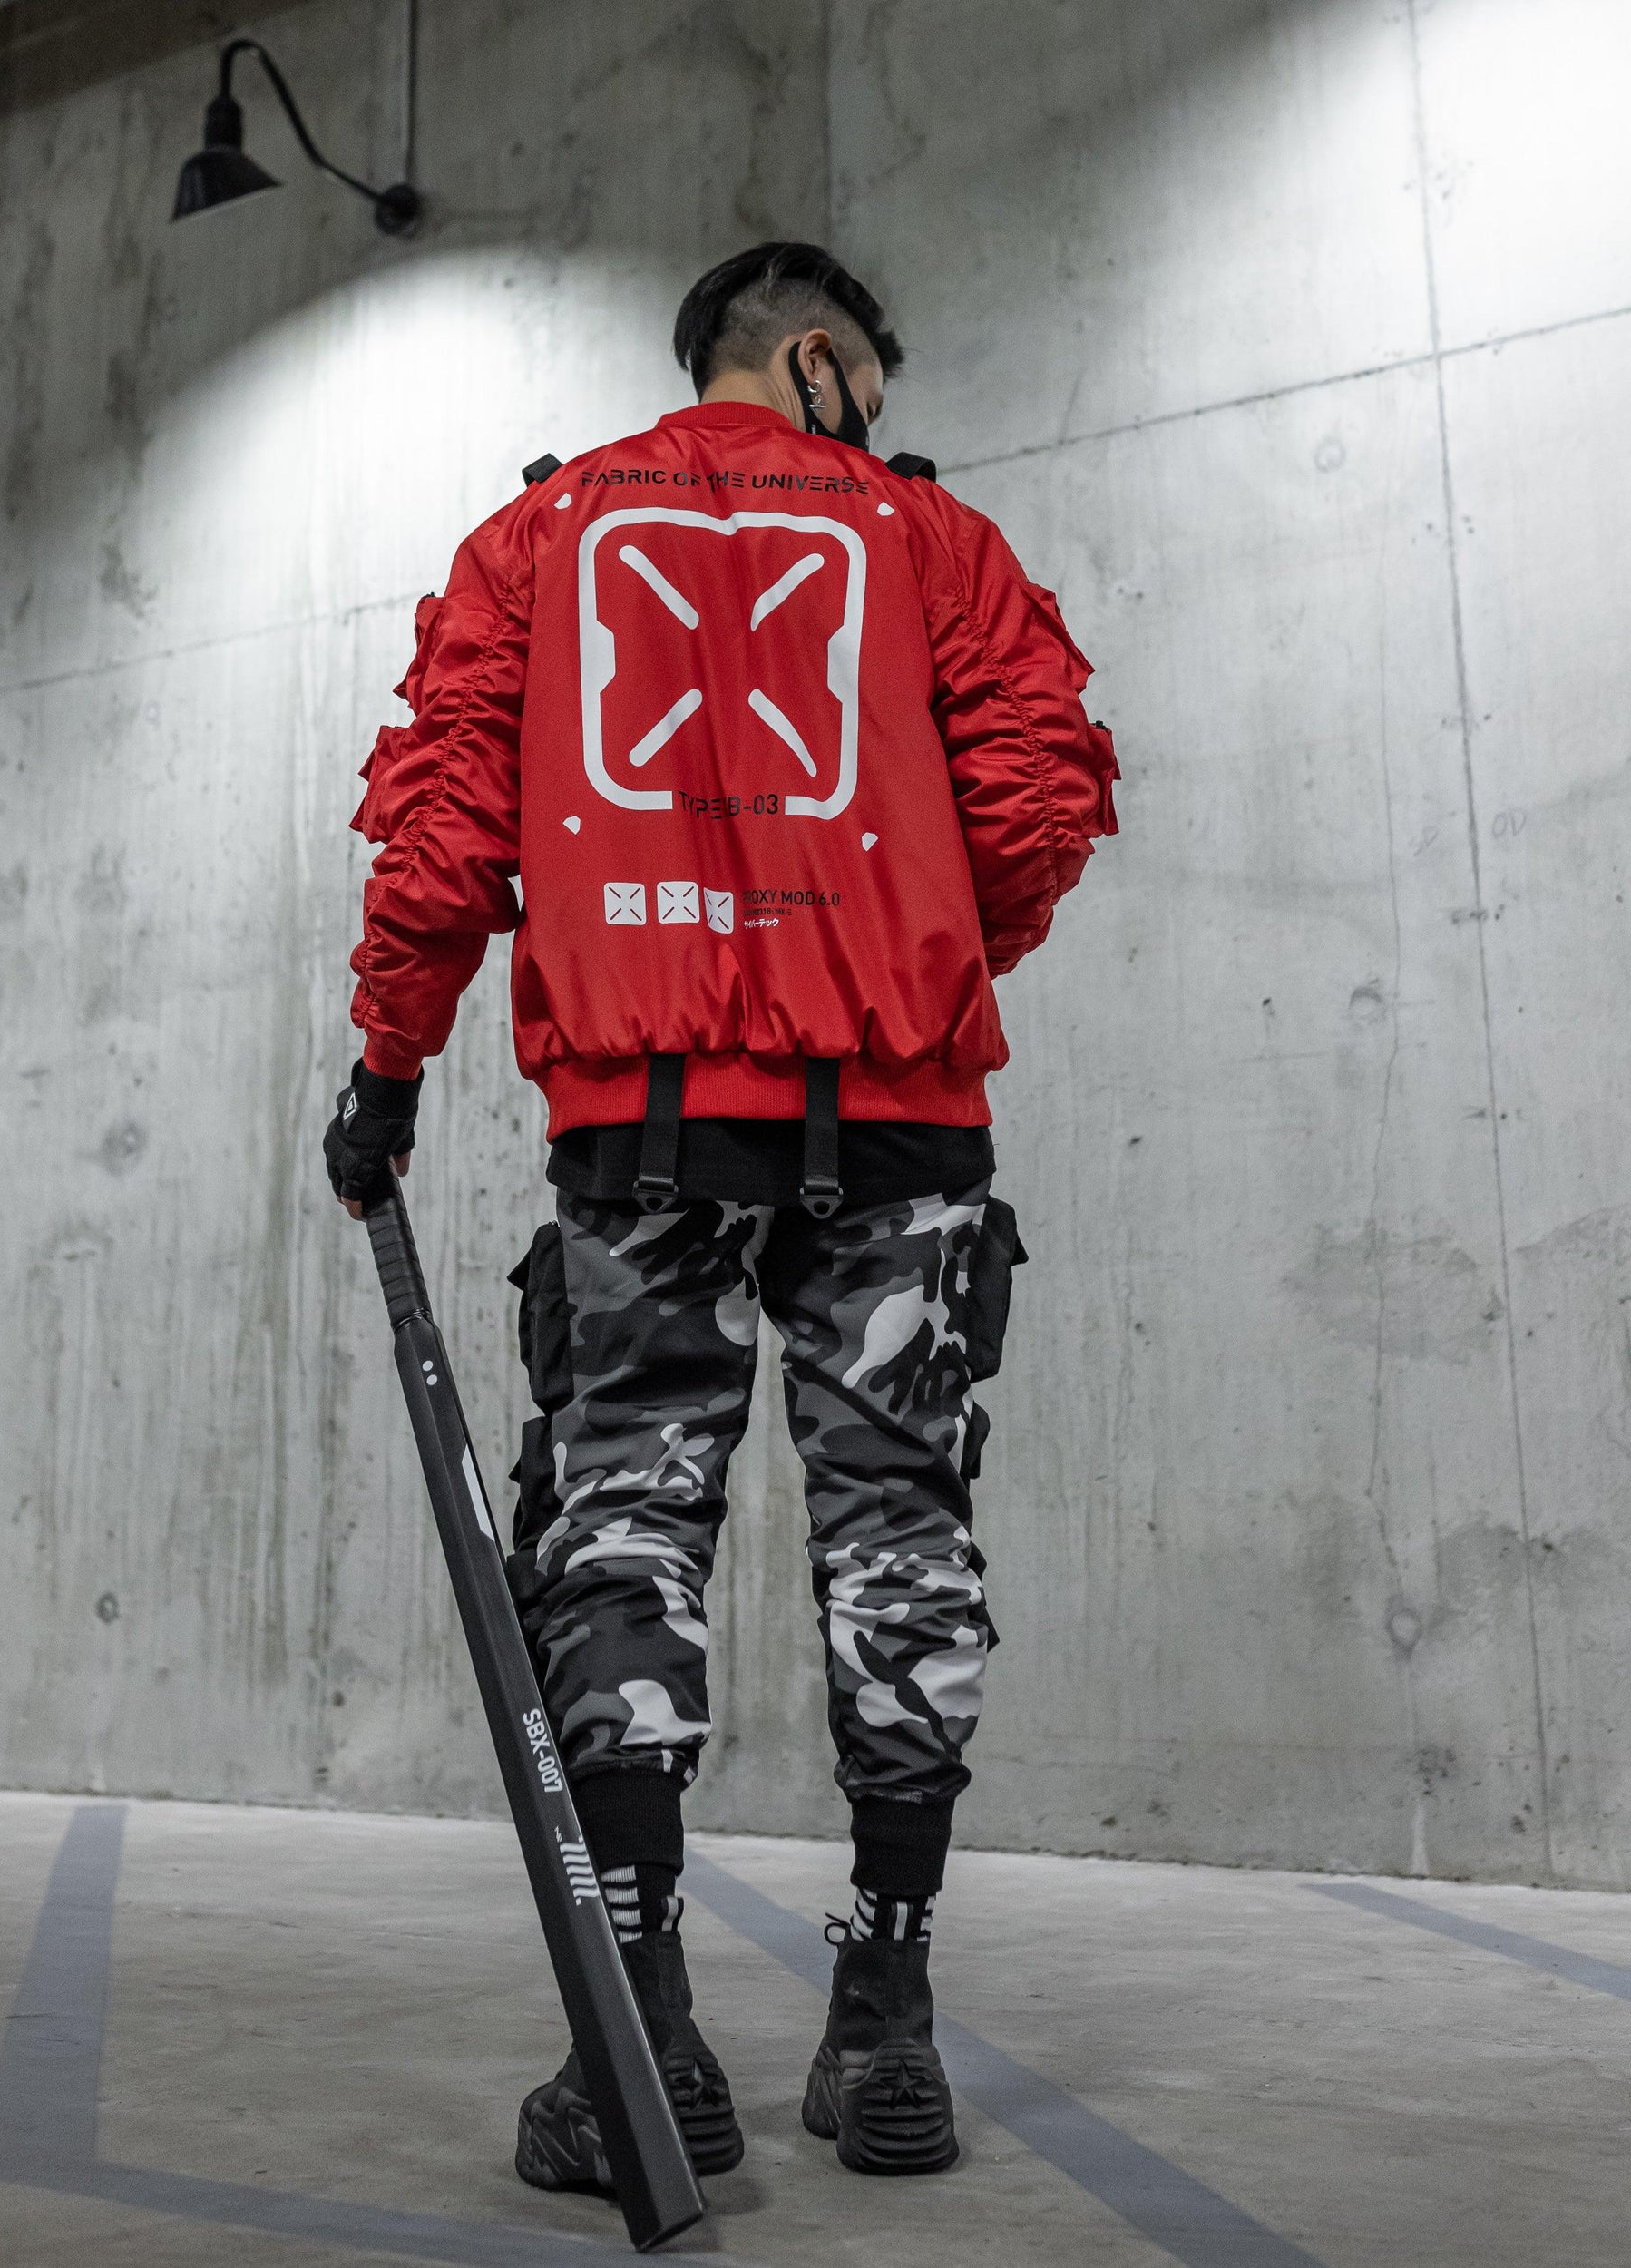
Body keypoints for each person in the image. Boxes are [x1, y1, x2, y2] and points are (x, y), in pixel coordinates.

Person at [325, 240, 1118, 2187]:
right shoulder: (934, 543)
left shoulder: (540, 539)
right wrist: (911, 958)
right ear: (818, 355)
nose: (876, 422)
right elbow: (1038, 789)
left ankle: (646, 2034)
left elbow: (443, 826)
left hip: (642, 1129)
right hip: (902, 1128)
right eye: (871, 386)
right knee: (903, 1542)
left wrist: (389, 1069)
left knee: (621, 1529)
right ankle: (888, 2018)